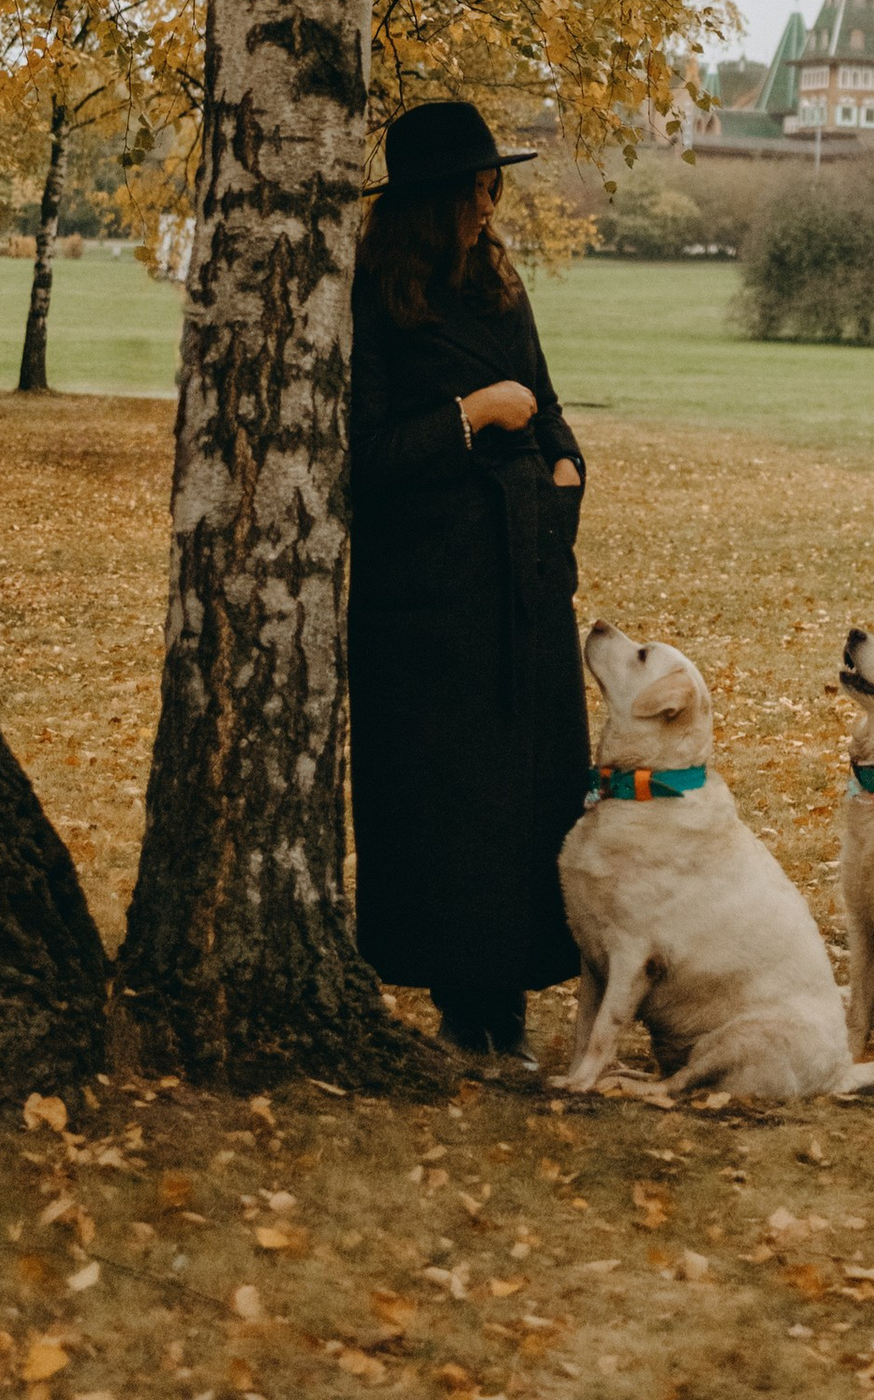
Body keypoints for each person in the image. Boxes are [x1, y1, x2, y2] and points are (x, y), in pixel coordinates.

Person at [348, 96, 590, 1061]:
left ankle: (515, 1003)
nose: (489, 208)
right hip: (428, 592)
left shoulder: (499, 286)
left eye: (494, 188)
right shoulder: (376, 300)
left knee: (533, 793)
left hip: (522, 578)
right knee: (452, 800)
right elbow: (366, 454)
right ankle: (462, 1001)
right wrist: (472, 415)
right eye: (474, 192)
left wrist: (564, 474)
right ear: (430, 201)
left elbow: (552, 404)